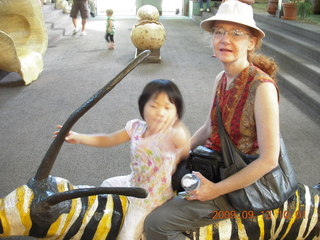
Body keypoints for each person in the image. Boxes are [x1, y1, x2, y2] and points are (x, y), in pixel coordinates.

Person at [144, 0, 280, 239]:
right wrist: (178, 153)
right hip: (214, 166)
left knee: (156, 223)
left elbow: (269, 160)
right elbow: (209, 128)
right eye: (219, 32)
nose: (225, 40)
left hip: (240, 186)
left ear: (251, 42)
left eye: (236, 33)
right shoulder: (221, 78)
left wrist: (214, 190)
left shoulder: (262, 88)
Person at [54, 79, 190, 240]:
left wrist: (177, 153)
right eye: (154, 106)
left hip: (150, 199)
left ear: (176, 113)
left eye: (168, 108)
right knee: (106, 186)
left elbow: (187, 150)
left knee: (126, 237)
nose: (160, 112)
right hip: (132, 183)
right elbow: (108, 139)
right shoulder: (136, 127)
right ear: (143, 107)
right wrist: (79, 137)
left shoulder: (173, 135)